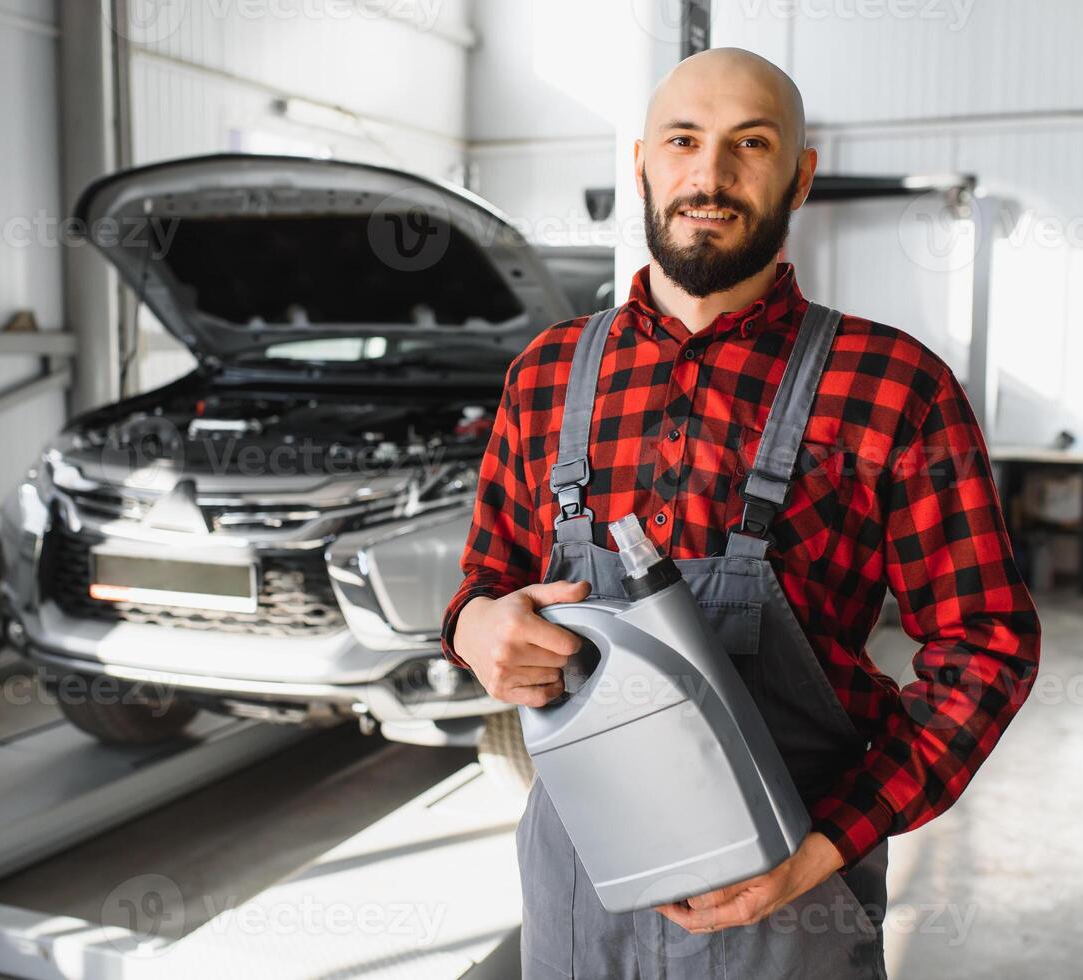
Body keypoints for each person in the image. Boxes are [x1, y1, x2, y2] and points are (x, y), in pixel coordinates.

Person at [440, 47, 1041, 978]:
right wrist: (475, 625)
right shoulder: (545, 375)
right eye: (683, 141)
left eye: (749, 145)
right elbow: (488, 581)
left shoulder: (893, 387)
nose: (708, 176)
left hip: (792, 876)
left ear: (800, 174)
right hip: (576, 882)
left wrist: (830, 843)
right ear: (641, 161)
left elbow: (988, 644)